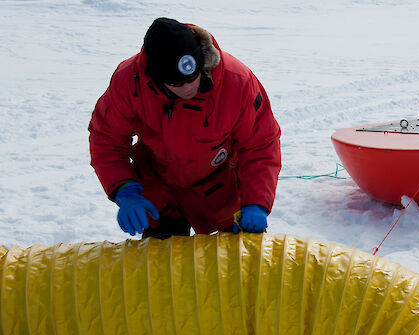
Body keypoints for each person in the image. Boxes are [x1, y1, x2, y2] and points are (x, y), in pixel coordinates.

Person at [89, 17, 281, 238]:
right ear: (157, 78)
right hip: (159, 193)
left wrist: (256, 203)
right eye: (177, 84)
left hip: (221, 190)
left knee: (235, 267)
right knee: (163, 269)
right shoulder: (129, 82)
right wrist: (124, 189)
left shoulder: (236, 81)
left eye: (193, 77)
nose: (189, 87)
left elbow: (261, 144)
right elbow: (106, 139)